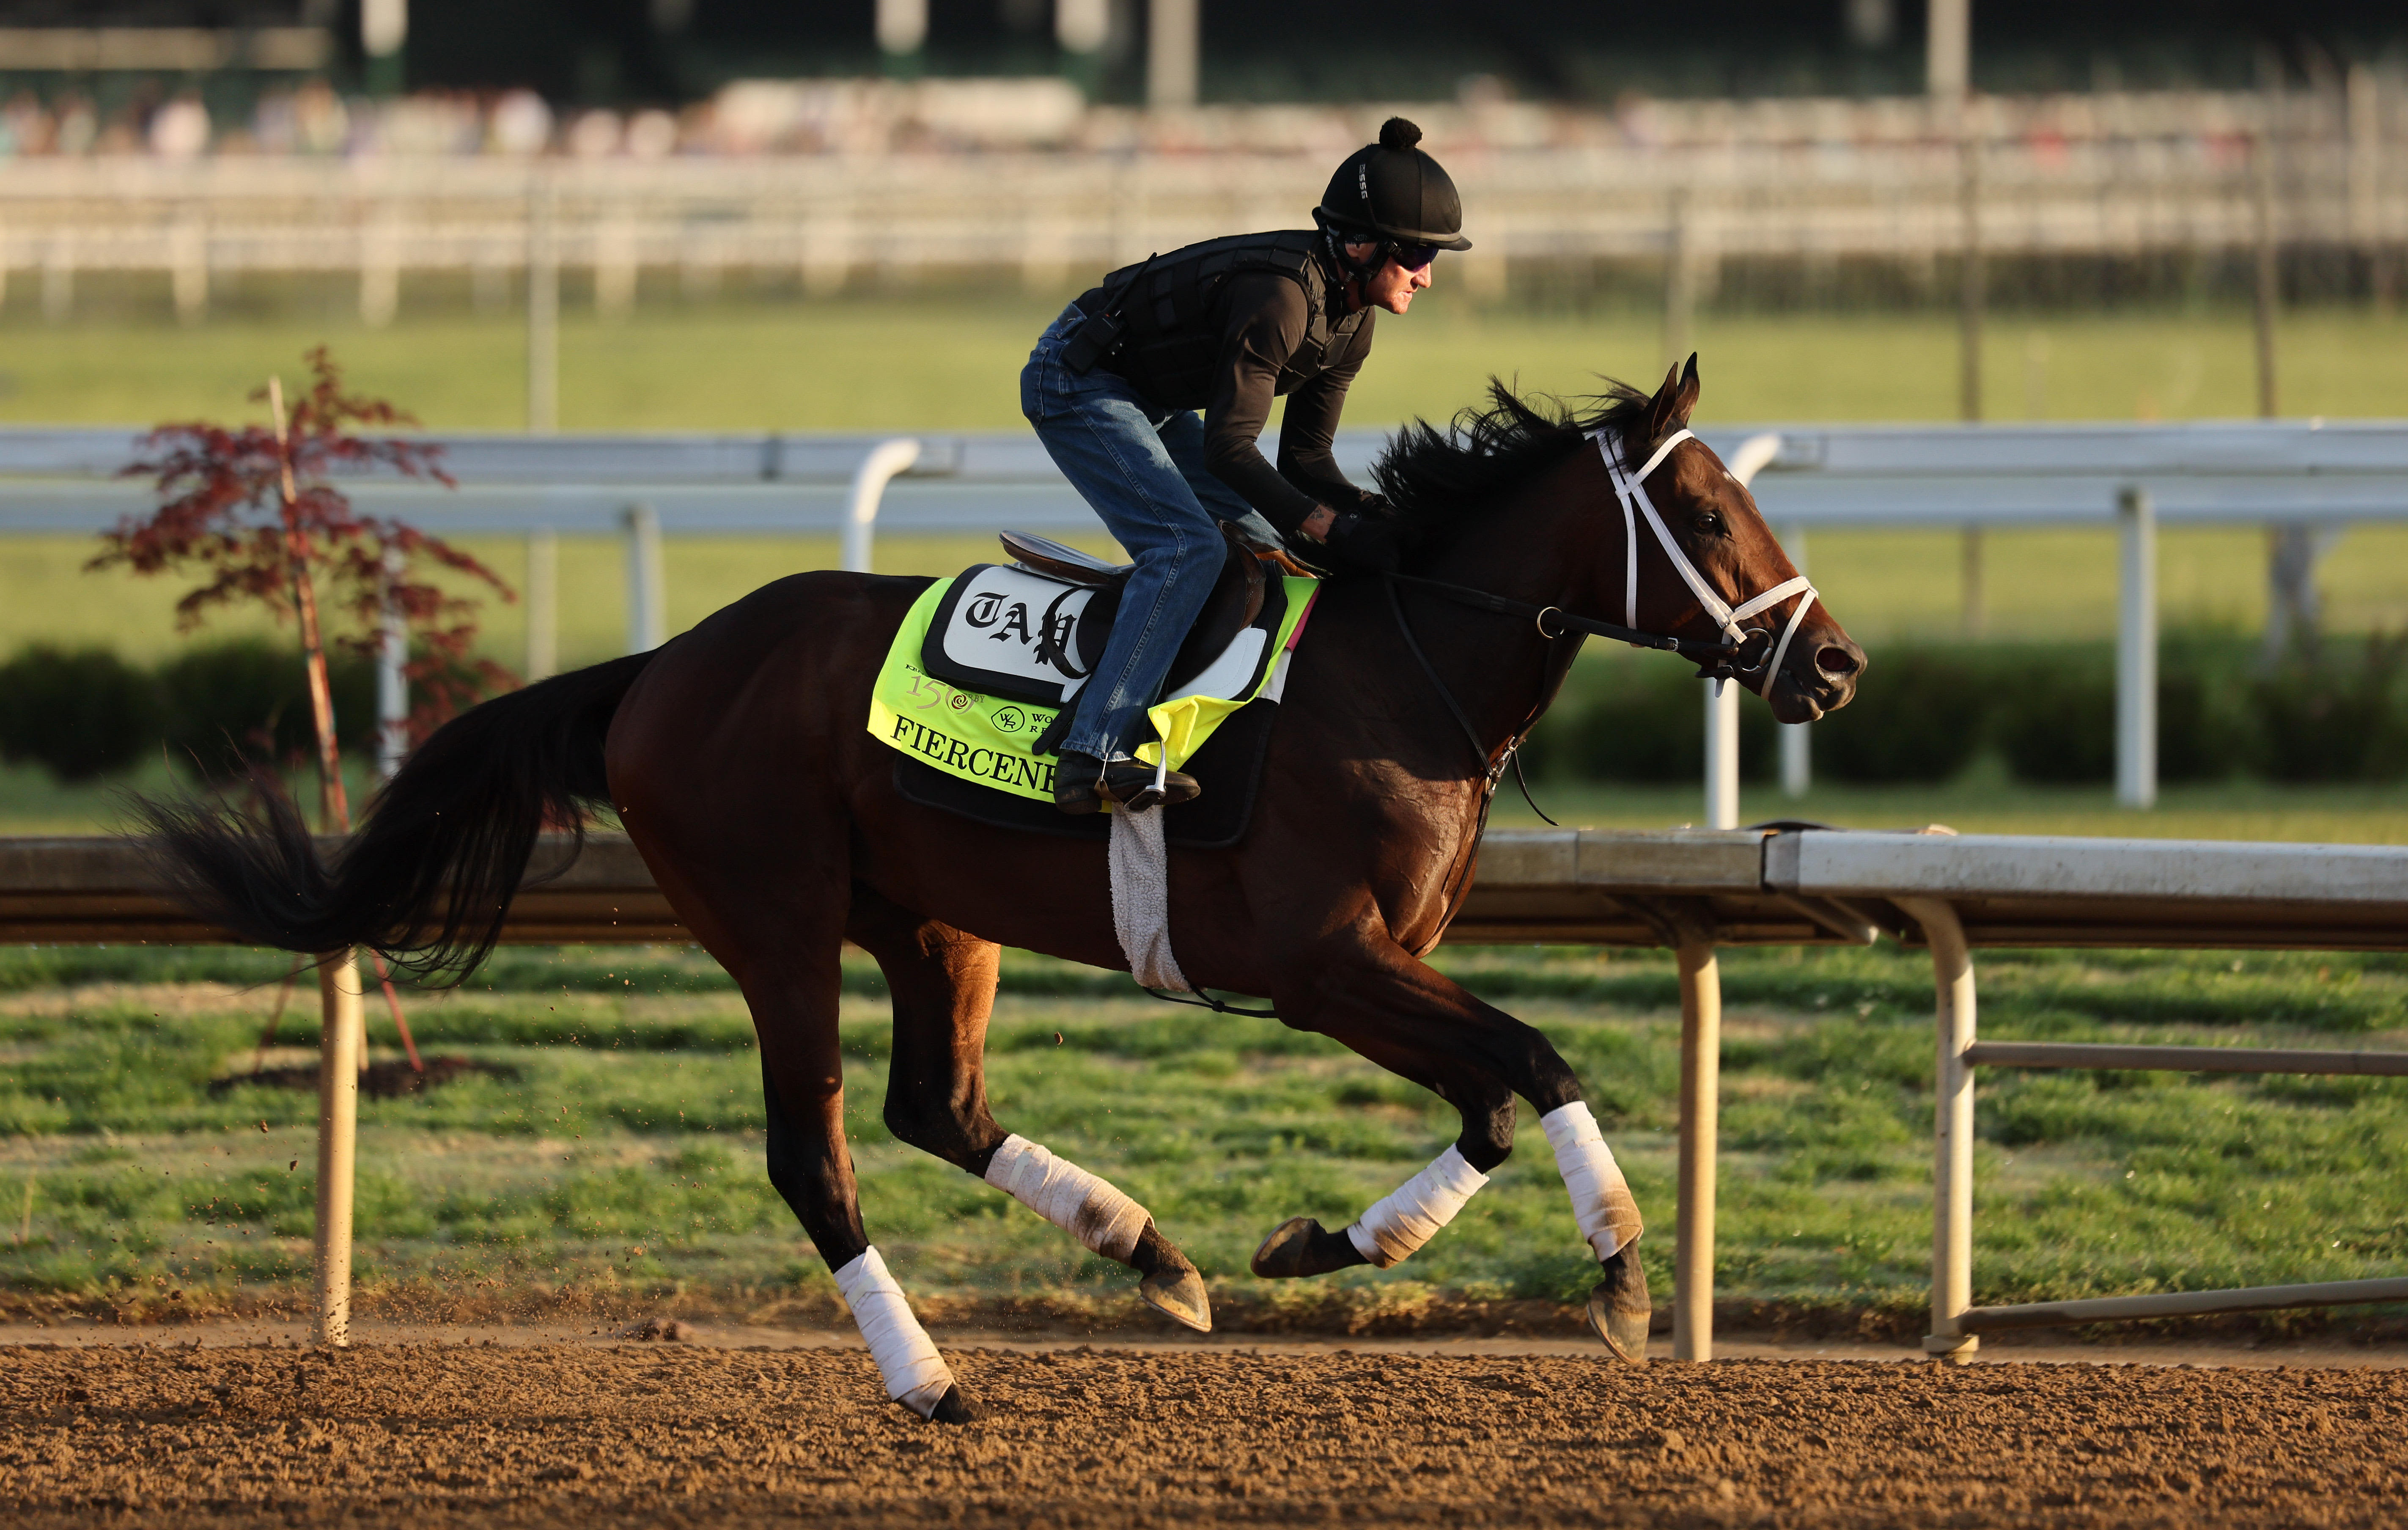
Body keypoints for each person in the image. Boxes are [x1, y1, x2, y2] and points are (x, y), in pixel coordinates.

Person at [1021, 116, 1471, 814]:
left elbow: (1305, 458)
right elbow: (1228, 449)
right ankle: (1094, 750)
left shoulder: (1353, 320)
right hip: (1077, 378)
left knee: (1269, 540)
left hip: (1149, 396)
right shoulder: (1282, 299)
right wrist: (1325, 524)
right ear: (1359, 246)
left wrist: (1368, 513)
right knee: (1185, 548)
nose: (1428, 276)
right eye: (1416, 256)